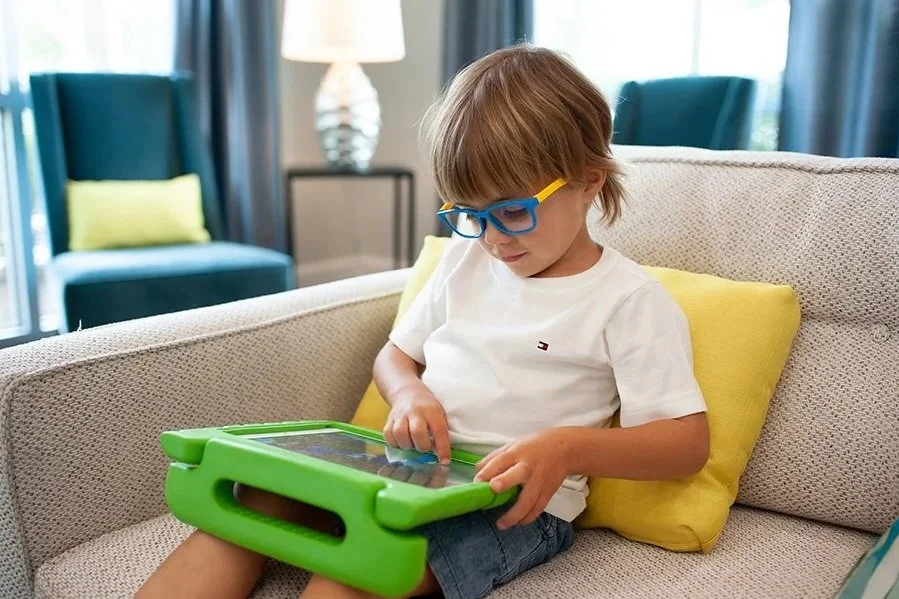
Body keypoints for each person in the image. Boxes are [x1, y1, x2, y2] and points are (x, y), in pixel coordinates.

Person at [137, 44, 710, 599]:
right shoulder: (465, 259)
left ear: (591, 178)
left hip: (508, 503)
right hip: (404, 471)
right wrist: (408, 394)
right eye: (469, 214)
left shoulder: (627, 300)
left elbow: (685, 444)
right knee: (251, 503)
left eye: (512, 211)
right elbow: (395, 355)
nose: (492, 237)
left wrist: (565, 449)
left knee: (363, 567)